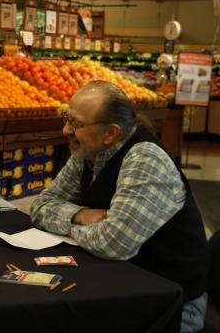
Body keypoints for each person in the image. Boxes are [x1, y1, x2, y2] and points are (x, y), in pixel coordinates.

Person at [30, 80, 209, 333]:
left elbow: (112, 244)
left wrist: (72, 226)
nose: (65, 130)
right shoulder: (87, 153)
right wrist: (79, 215)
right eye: (66, 118)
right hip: (122, 288)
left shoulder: (145, 158)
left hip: (172, 304)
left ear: (111, 133)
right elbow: (40, 206)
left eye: (76, 124)